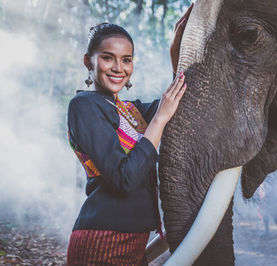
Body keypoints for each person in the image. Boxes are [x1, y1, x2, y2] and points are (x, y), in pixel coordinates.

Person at [66, 4, 193, 266]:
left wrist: (176, 56)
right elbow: (123, 179)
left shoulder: (130, 110)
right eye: (107, 57)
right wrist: (159, 119)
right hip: (101, 243)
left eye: (126, 59)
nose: (118, 68)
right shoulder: (84, 106)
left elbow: (174, 106)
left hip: (133, 242)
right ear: (88, 60)